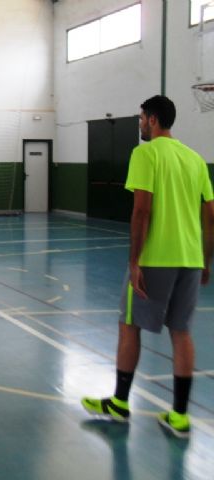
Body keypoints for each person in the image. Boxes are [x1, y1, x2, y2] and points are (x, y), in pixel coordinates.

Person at [81, 95, 214, 439]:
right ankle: (180, 416)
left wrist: (134, 260)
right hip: (190, 257)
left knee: (129, 325)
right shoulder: (196, 159)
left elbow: (142, 210)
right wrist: (205, 260)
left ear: (152, 120)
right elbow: (210, 214)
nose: (140, 124)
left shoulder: (145, 153)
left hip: (155, 259)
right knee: (181, 332)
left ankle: (121, 403)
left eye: (141, 118)